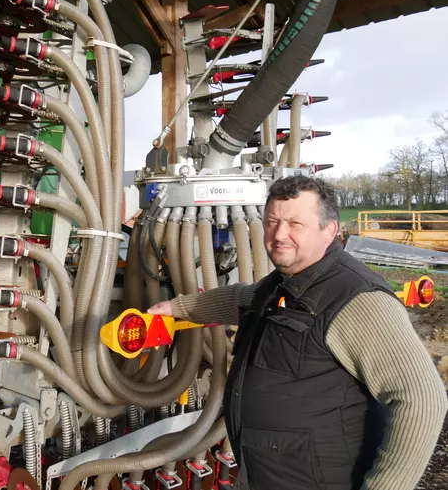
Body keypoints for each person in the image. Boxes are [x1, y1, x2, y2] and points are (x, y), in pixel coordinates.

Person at [148, 175, 447, 490]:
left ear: (329, 231)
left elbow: (421, 398)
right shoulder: (283, 283)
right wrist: (177, 308)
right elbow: (237, 298)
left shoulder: (356, 299)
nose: (280, 234)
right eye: (273, 222)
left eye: (295, 224)